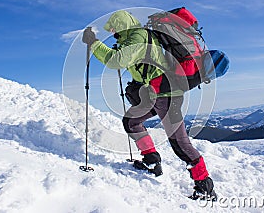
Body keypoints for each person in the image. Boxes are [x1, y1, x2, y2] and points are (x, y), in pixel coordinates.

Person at [82, 10, 216, 199]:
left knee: (180, 144)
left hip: (167, 96)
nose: (112, 32)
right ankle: (152, 161)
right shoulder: (132, 39)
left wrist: (93, 43)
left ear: (121, 25)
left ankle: (205, 187)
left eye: (113, 28)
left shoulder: (139, 37)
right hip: (155, 94)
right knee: (131, 121)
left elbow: (115, 60)